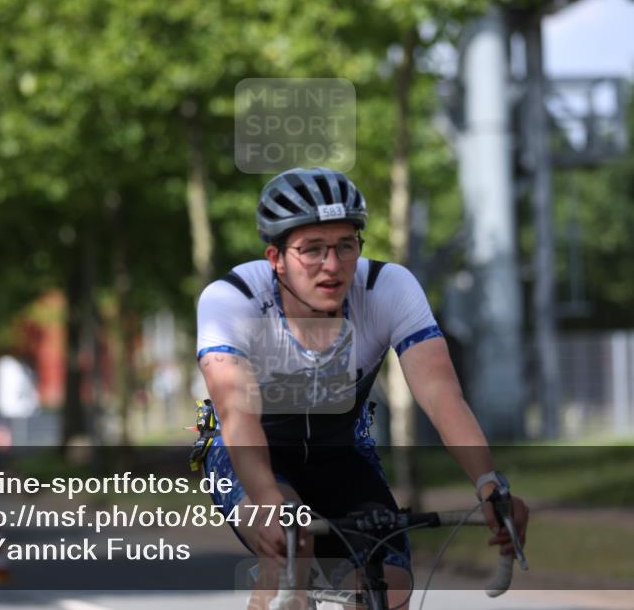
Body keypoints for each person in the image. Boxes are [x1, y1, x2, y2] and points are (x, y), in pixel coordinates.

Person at [194, 167, 529, 609]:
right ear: (275, 258)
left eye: (345, 246)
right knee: (291, 554)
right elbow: (238, 414)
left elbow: (441, 394)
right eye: (312, 250)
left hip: (340, 450)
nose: (332, 266)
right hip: (250, 451)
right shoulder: (231, 299)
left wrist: (489, 483)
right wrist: (268, 501)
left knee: (389, 583)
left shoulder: (388, 288)